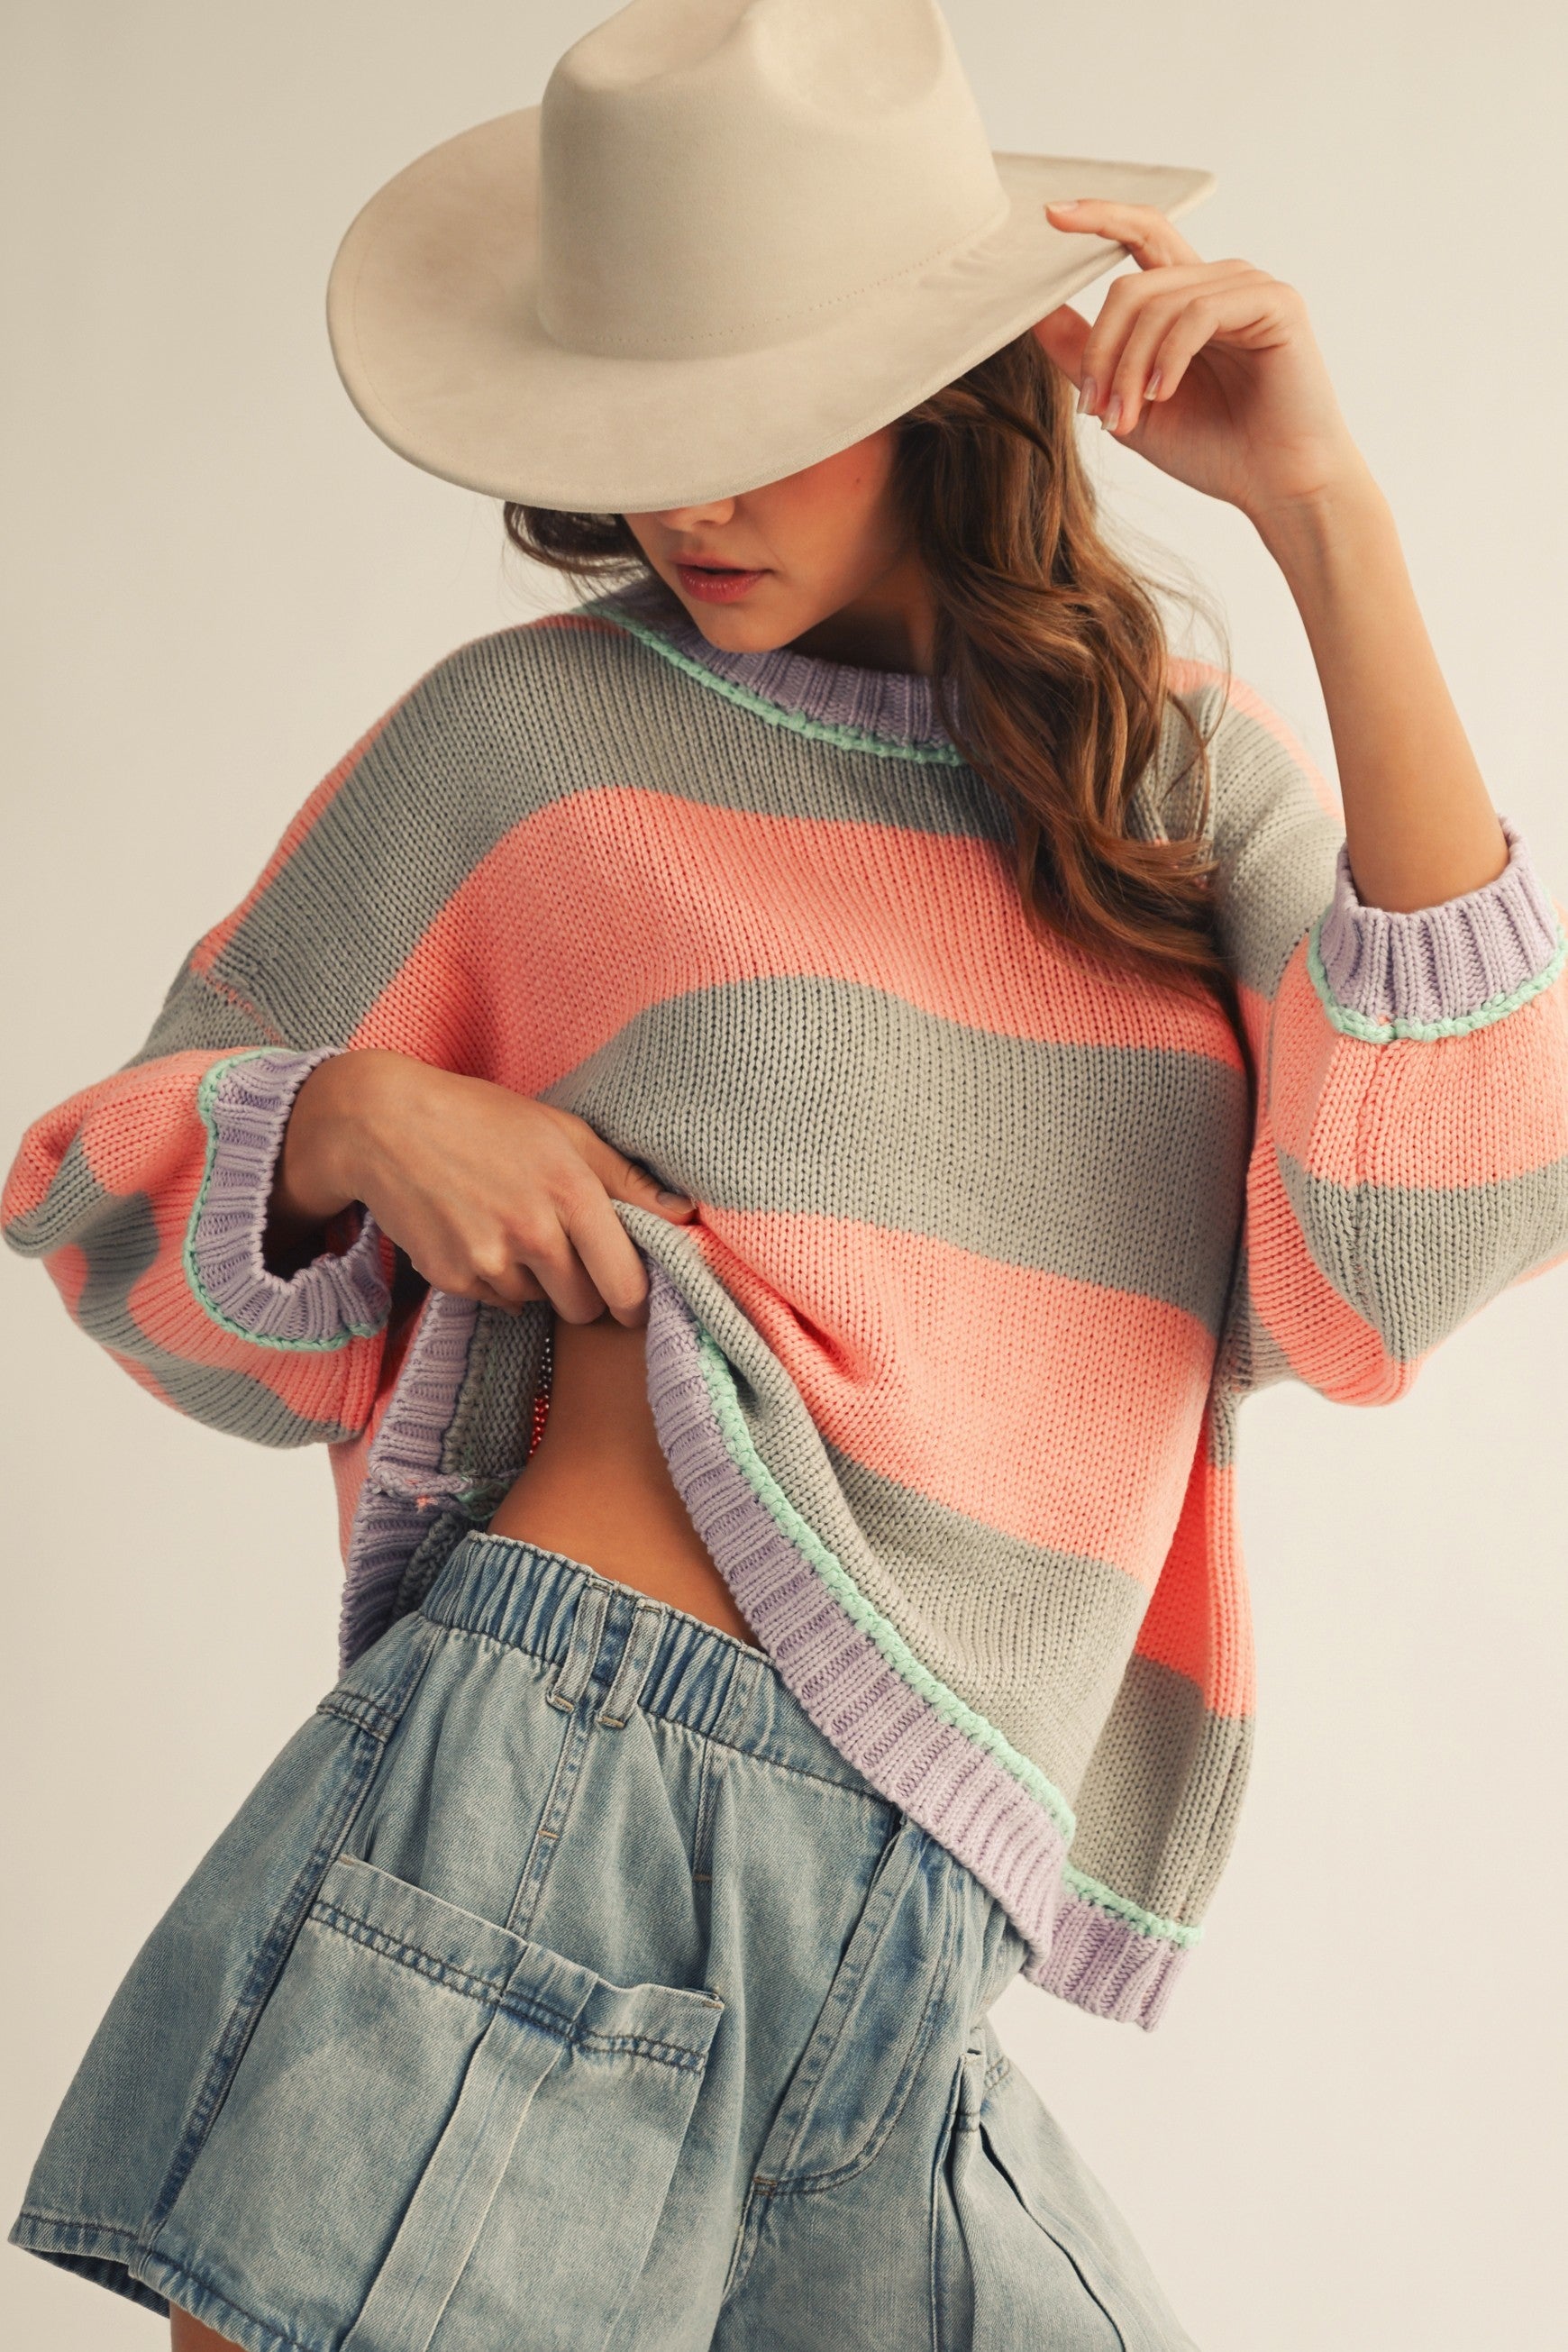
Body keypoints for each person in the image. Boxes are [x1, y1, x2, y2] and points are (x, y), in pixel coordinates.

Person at [7, 4, 1566, 2347]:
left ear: (945, 386)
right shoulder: (532, 739)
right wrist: (344, 1118)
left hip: (918, 1919)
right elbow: (98, 1206)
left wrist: (1326, 519)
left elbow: (1412, 1259)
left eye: (758, 416)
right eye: (640, 428)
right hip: (575, 1775)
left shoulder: (1174, 785)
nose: (690, 503)